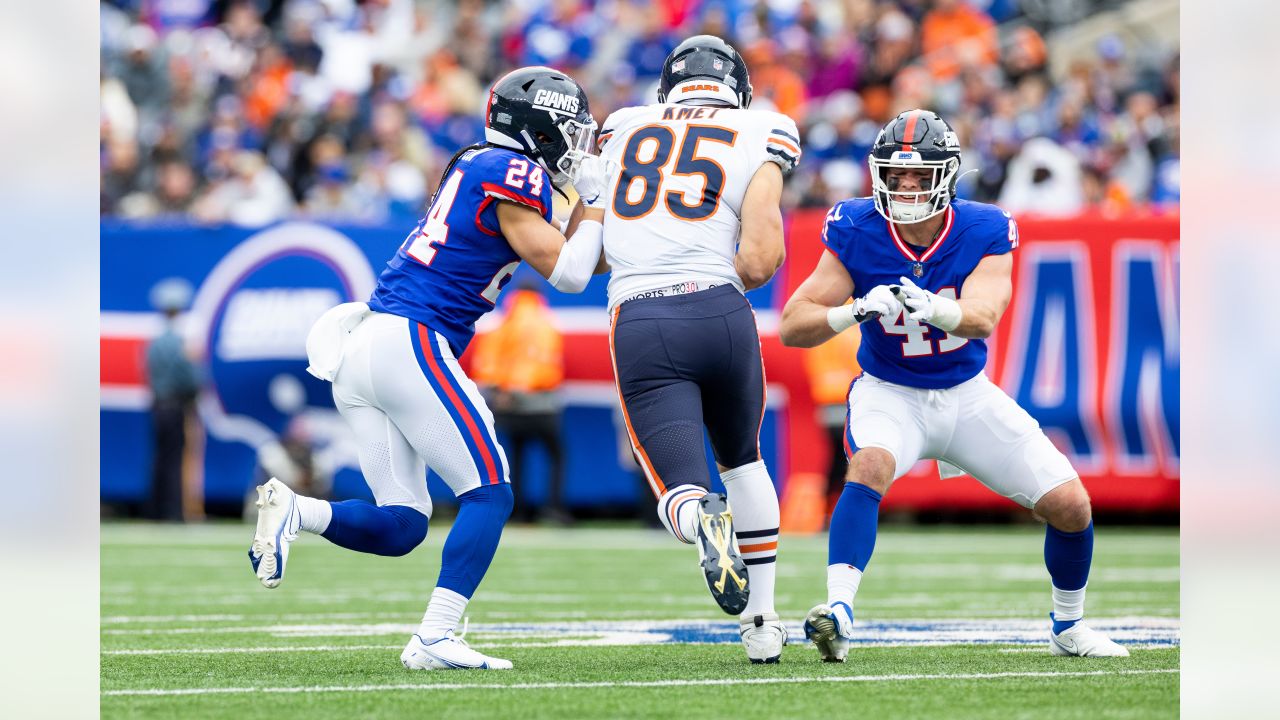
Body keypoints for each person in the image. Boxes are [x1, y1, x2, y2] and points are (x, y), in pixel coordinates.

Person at [247, 66, 614, 671]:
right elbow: (572, 274)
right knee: (490, 491)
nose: (576, 143)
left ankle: (297, 510)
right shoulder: (514, 172)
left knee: (403, 525)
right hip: (411, 340)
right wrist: (597, 200)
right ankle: (436, 636)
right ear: (538, 128)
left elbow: (576, 253)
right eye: (569, 129)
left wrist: (596, 212)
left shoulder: (482, 164)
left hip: (368, 347)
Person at [779, 109, 1128, 661]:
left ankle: (1069, 624)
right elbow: (794, 323)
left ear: (947, 175)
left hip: (967, 394)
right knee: (868, 464)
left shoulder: (983, 226)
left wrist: (938, 308)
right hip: (889, 390)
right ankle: (839, 611)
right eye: (898, 176)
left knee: (1071, 505)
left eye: (921, 175)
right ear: (880, 176)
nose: (908, 186)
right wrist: (853, 312)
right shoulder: (856, 226)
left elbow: (985, 315)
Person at [597, 35, 800, 664]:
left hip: (644, 315)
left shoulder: (625, 125)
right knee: (746, 463)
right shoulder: (763, 128)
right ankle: (763, 625)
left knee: (678, 488)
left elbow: (598, 235)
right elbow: (763, 258)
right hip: (723, 311)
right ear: (735, 87)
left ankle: (701, 519)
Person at [471, 281, 570, 524]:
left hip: (508, 406)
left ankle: (517, 512)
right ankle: (553, 507)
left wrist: (503, 392)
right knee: (557, 455)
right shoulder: (546, 326)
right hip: (541, 406)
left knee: (514, 457)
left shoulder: (501, 326)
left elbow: (486, 365)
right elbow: (545, 364)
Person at [144, 278, 201, 522]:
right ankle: (175, 511)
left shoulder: (155, 343)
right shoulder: (179, 342)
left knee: (160, 458)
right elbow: (190, 378)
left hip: (158, 405)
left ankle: (156, 508)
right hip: (177, 405)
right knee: (177, 459)